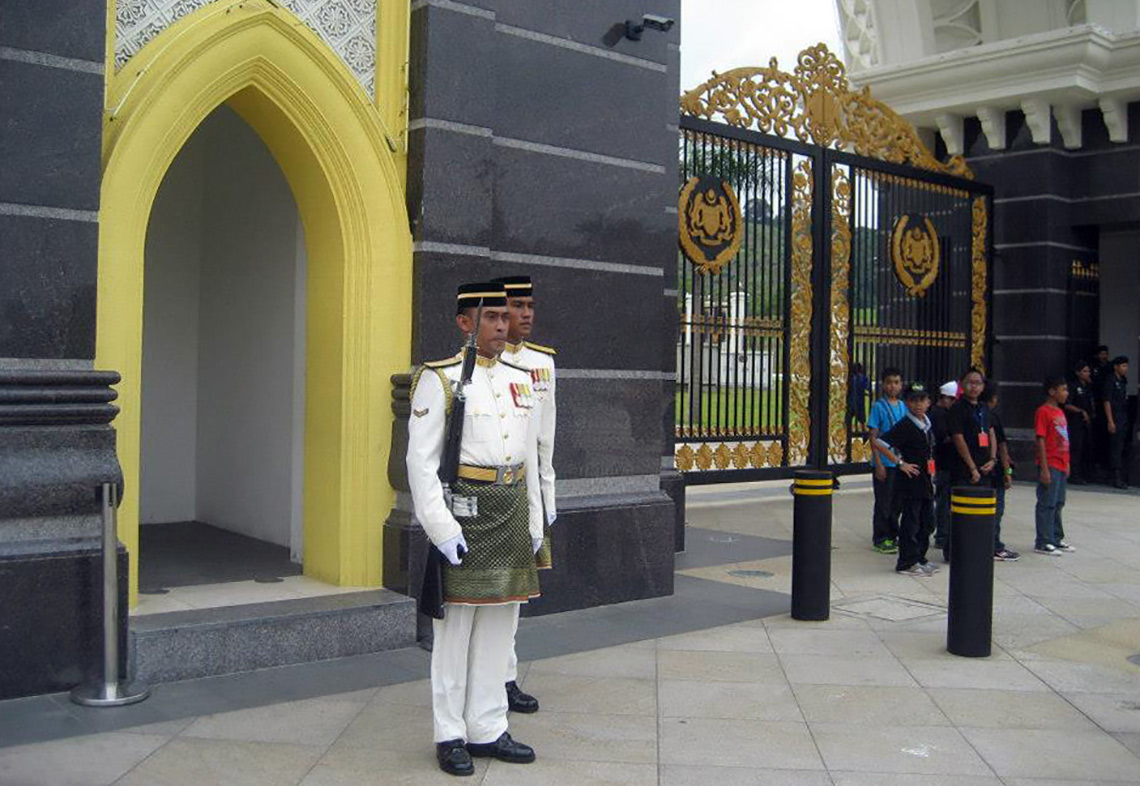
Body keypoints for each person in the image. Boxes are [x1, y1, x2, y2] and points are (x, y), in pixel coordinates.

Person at [406, 281, 542, 776]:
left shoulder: (519, 377)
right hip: (466, 513)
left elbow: (526, 454)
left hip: (509, 510)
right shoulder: (439, 380)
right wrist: (440, 528)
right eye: (491, 318)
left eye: (506, 318)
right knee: (456, 629)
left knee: (500, 623)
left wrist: (533, 519)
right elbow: (420, 464)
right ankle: (451, 733)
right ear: (465, 322)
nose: (502, 327)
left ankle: (488, 726)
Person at [494, 275, 557, 716]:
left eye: (530, 305)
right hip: (492, 491)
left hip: (530, 491)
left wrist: (547, 504)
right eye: (518, 305)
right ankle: (490, 678)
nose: (527, 313)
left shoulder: (544, 364)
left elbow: (545, 443)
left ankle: (506, 677)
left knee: (515, 596)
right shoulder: (476, 365)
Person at [874, 383, 939, 577]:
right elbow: (880, 443)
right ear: (907, 403)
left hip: (925, 479)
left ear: (928, 402)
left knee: (927, 521)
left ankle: (920, 557)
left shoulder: (926, 424)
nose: (918, 404)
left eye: (922, 400)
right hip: (911, 481)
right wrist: (900, 463)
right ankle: (907, 561)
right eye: (913, 400)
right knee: (911, 521)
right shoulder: (905, 425)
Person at [944, 368, 998, 561]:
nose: (974, 386)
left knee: (981, 513)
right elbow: (958, 438)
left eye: (978, 383)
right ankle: (955, 551)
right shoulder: (958, 408)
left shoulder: (984, 408)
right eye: (970, 382)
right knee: (960, 512)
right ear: (962, 384)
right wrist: (972, 467)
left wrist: (992, 459)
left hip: (985, 467)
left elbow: (990, 432)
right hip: (964, 469)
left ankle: (976, 549)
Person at [868, 367, 906, 554]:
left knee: (897, 502)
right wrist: (878, 464)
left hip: (900, 462)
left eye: (896, 382)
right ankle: (880, 537)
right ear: (883, 384)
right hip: (884, 462)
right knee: (883, 501)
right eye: (889, 382)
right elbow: (873, 437)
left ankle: (893, 534)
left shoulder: (903, 406)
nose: (893, 386)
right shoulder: (878, 406)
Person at [1035, 376, 1072, 555]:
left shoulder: (1060, 412)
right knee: (1047, 502)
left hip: (1061, 463)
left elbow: (1064, 439)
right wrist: (1044, 468)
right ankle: (1043, 540)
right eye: (1063, 389)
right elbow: (1040, 439)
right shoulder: (1043, 412)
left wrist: (1067, 463)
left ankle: (1056, 537)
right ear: (1052, 391)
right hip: (1050, 462)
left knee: (1058, 502)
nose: (1066, 393)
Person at [982, 385, 1020, 562]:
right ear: (993, 399)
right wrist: (1008, 472)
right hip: (995, 472)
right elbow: (1003, 448)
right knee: (996, 510)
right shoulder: (992, 417)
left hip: (980, 470)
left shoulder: (978, 415)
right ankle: (994, 545)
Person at [930, 381, 957, 554]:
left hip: (944, 462)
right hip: (943, 462)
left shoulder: (940, 413)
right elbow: (942, 438)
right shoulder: (939, 414)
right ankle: (941, 534)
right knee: (943, 500)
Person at [1103, 355, 1131, 489]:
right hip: (1115, 417)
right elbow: (1107, 401)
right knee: (1115, 447)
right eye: (1123, 366)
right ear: (1116, 367)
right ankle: (1115, 477)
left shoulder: (1123, 380)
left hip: (1123, 416)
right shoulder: (1110, 380)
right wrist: (1110, 421)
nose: (1126, 368)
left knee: (1121, 447)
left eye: (1126, 366)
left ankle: (1121, 475)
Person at [1065, 360, 1095, 484]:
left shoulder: (1088, 387)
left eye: (1088, 371)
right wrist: (1080, 411)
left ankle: (1085, 473)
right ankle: (1074, 474)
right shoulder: (1073, 386)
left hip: (1086, 422)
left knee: (1085, 447)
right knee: (1076, 448)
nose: (1088, 373)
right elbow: (1066, 404)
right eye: (1085, 371)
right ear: (1078, 373)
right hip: (1075, 421)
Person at [848, 362, 871, 426]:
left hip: (851, 400)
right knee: (861, 419)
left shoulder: (850, 378)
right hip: (859, 401)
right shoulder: (863, 377)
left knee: (848, 418)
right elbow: (868, 387)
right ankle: (863, 432)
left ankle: (848, 431)